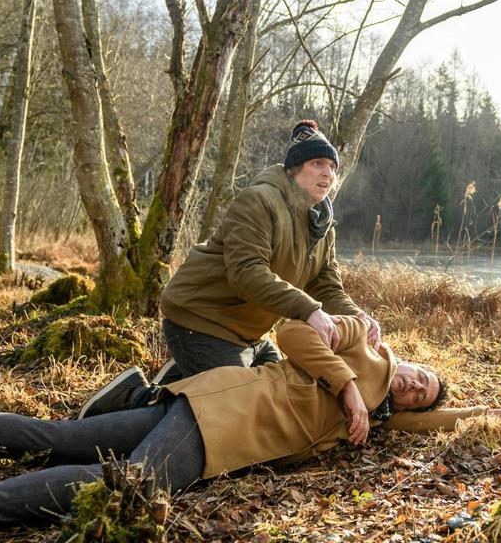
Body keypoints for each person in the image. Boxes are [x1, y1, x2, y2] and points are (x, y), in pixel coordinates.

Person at [0, 316, 501, 543]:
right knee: (133, 487)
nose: (415, 385)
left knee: (55, 436)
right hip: (221, 417)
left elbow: (444, 422)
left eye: (422, 392)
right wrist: (346, 386)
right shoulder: (365, 346)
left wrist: (496, 415)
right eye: (419, 373)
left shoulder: (391, 419)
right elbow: (292, 330)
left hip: (202, 407)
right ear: (409, 359)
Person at [80, 119, 383, 418]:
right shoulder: (259, 201)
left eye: (332, 167)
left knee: (282, 391)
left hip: (250, 334)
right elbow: (247, 272)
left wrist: (357, 316)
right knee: (238, 407)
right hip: (200, 318)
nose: (328, 173)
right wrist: (308, 310)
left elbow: (326, 287)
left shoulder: (322, 227)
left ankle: (182, 376)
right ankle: (130, 396)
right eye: (318, 163)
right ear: (294, 169)